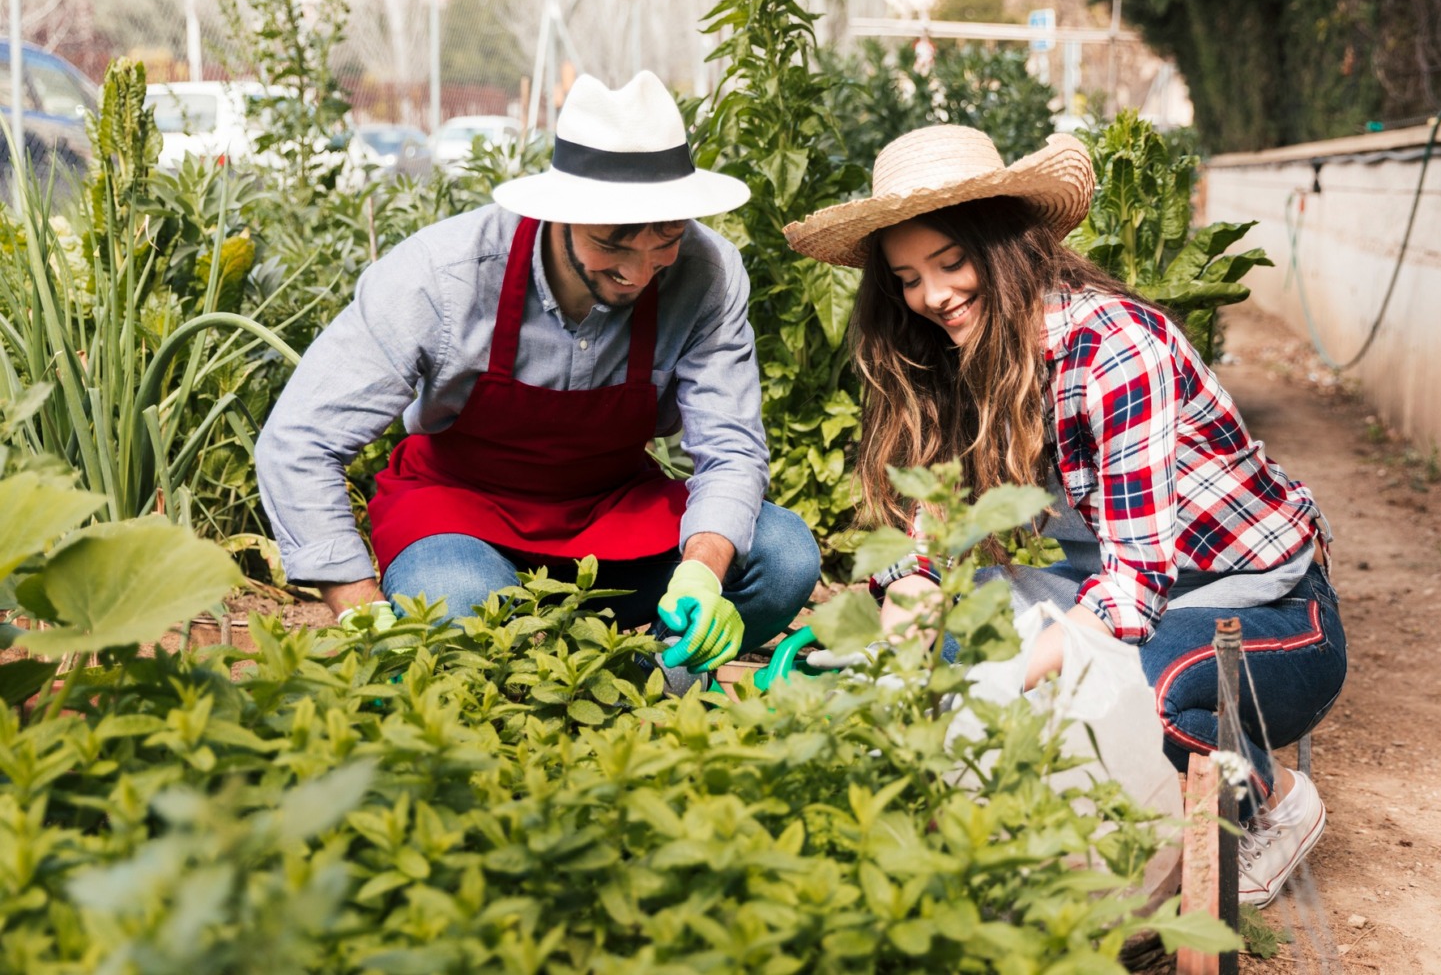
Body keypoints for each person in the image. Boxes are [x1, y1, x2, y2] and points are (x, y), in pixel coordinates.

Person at [783, 125, 1347, 908]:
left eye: (951, 261)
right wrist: (904, 636)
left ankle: (1271, 800)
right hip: (1129, 583)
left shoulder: (1111, 346)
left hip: (1262, 610)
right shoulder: (951, 355)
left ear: (1008, 245)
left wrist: (1026, 670)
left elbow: (1135, 585)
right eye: (909, 277)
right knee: (940, 635)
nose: (933, 295)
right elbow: (927, 542)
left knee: (1147, 687)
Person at [257, 71, 821, 680]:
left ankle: (635, 695)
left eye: (666, 239)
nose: (640, 272)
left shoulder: (708, 273)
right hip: (458, 515)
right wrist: (364, 615)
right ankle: (546, 698)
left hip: (613, 513)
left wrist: (702, 571)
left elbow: (731, 450)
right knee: (463, 603)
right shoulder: (440, 274)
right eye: (613, 245)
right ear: (560, 214)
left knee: (783, 555)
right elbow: (299, 443)